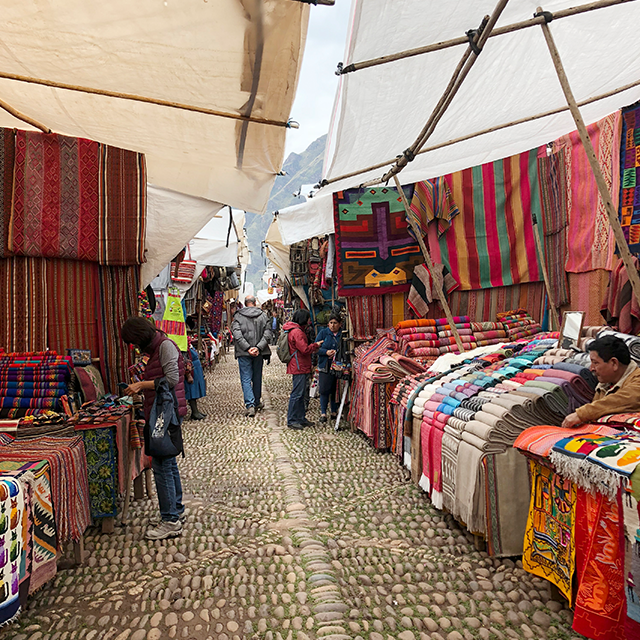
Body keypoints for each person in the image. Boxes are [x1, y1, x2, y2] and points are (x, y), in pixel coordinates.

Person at [120, 317, 187, 540]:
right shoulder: (158, 347)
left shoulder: (165, 347)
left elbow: (171, 379)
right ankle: (176, 511)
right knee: (167, 462)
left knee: (162, 464)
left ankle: (170, 520)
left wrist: (141, 385)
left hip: (165, 414)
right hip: (162, 411)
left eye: (133, 341)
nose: (134, 346)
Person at [562, 335, 640, 428]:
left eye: (595, 363)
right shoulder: (605, 384)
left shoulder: (637, 380)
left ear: (614, 363)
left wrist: (582, 414)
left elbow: (626, 399)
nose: (591, 368)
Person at [232, 295, 272, 416]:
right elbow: (268, 333)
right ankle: (256, 402)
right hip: (258, 352)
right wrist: (258, 347)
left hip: (244, 352)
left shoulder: (238, 317)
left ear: (245, 303)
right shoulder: (263, 316)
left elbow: (237, 334)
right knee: (257, 377)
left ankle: (250, 405)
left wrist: (247, 348)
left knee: (246, 378)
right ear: (255, 303)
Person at [282, 309, 322, 429]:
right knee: (297, 393)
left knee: (301, 393)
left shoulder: (294, 331)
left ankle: (300, 418)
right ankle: (293, 419)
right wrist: (315, 345)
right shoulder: (298, 332)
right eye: (308, 319)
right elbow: (304, 349)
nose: (309, 321)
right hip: (299, 365)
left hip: (300, 365)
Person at [316, 315, 343, 423]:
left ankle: (334, 411)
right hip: (325, 364)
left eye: (335, 323)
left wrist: (337, 352)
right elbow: (316, 347)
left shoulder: (342, 334)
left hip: (338, 365)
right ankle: (323, 412)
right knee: (324, 389)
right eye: (331, 323)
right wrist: (325, 352)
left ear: (340, 324)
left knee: (335, 388)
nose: (332, 325)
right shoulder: (323, 333)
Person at [184, 344, 206, 420]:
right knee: (191, 390)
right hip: (191, 368)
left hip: (195, 367)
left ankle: (196, 410)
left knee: (195, 389)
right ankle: (194, 412)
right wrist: (188, 374)